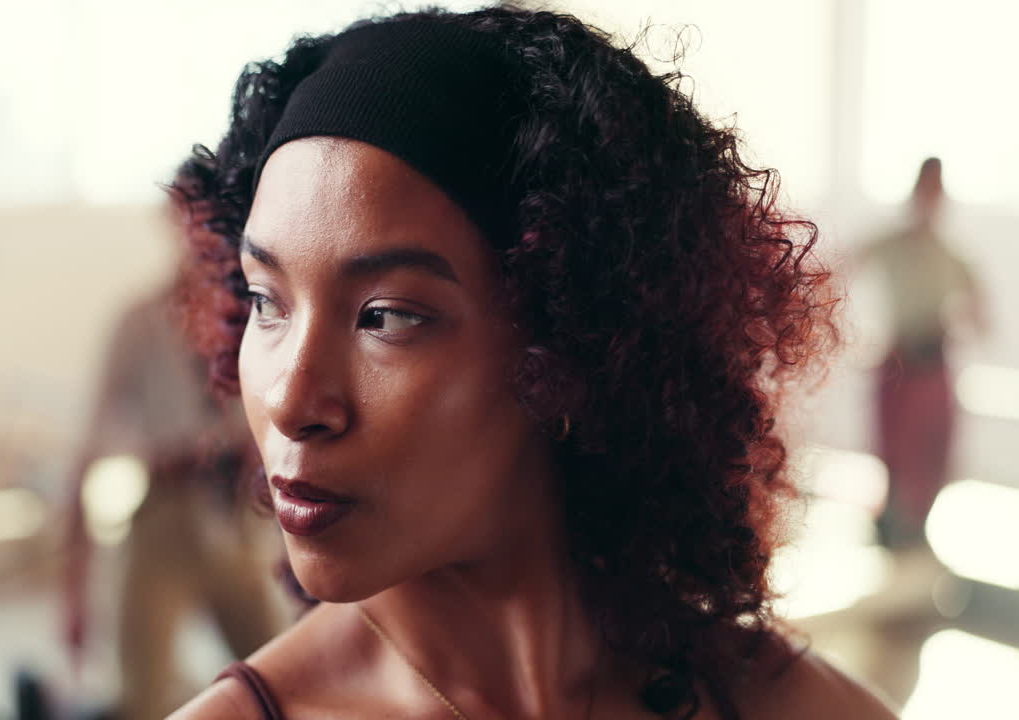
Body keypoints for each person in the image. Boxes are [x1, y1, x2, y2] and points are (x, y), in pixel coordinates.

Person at [171, 8, 896, 720]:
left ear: (571, 348)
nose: (292, 401)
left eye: (385, 317)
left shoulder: (790, 706)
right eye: (267, 302)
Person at [62, 161, 293, 720]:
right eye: (188, 213)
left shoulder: (257, 316)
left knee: (278, 680)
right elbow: (88, 449)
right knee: (141, 693)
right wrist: (72, 588)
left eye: (211, 215)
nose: (199, 229)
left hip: (238, 524)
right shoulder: (140, 323)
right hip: (164, 518)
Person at [859, 157, 985, 548]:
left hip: (933, 368)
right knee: (894, 453)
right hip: (900, 366)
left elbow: (980, 317)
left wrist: (957, 322)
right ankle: (892, 526)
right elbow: (841, 265)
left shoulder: (953, 257)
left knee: (930, 456)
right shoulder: (891, 245)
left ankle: (915, 528)